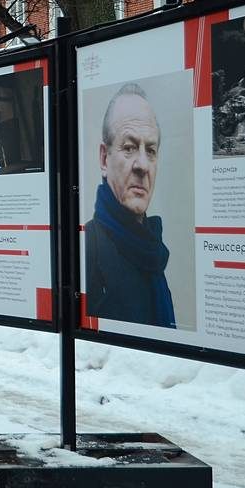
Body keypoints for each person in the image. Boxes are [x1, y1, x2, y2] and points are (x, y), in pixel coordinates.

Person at [84, 82, 176, 328]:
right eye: (129, 147)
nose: (142, 165)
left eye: (151, 150)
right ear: (104, 159)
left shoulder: (152, 250)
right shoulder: (88, 250)